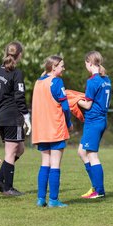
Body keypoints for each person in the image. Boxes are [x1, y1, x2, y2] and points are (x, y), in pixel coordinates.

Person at [32, 55, 73, 208]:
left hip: (41, 129)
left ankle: (41, 198)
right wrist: (69, 123)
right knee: (55, 164)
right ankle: (53, 200)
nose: (64, 68)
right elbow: (66, 107)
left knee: (45, 163)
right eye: (62, 65)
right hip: (55, 127)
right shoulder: (56, 82)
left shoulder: (38, 82)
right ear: (54, 66)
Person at [0, 41, 31, 196]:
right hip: (12, 116)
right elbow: (19, 97)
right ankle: (8, 187)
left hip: (2, 115)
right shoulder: (16, 73)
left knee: (19, 149)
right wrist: (26, 116)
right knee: (11, 151)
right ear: (19, 54)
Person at [77, 51, 111, 199]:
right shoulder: (106, 79)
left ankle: (99, 190)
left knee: (92, 155)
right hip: (100, 120)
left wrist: (73, 99)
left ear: (89, 63)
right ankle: (95, 187)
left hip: (94, 121)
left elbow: (88, 105)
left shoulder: (92, 81)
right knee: (81, 152)